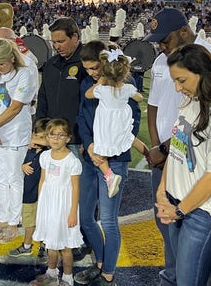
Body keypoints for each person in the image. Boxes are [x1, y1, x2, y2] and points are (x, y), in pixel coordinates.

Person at [142, 7, 211, 286]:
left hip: (197, 169)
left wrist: (167, 149)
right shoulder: (163, 61)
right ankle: (170, 279)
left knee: (192, 250)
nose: (160, 46)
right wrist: (158, 147)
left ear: (184, 31)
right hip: (168, 159)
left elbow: (210, 121)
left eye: (165, 39)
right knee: (169, 232)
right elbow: (154, 105)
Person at [155, 44, 211, 285]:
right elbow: (177, 147)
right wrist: (162, 190)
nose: (177, 88)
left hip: (203, 214)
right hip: (178, 204)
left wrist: (180, 210)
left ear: (202, 72)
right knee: (175, 276)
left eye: (181, 80)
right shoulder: (192, 100)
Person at [74, 40, 141, 286]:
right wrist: (90, 146)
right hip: (91, 157)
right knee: (85, 217)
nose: (92, 73)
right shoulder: (87, 85)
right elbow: (82, 116)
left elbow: (133, 123)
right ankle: (100, 263)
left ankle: (109, 274)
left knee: (109, 220)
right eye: (88, 69)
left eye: (95, 68)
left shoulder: (126, 85)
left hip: (114, 160)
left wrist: (107, 153)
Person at [0, 38, 34, 244]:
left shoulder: (23, 74)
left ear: (12, 57)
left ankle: (14, 221)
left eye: (1, 63)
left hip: (15, 135)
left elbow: (15, 107)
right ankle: (3, 219)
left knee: (14, 178)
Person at [84, 47, 148, 198]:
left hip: (106, 124)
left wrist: (100, 81)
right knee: (128, 138)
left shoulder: (102, 90)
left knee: (99, 153)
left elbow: (88, 94)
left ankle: (109, 176)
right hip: (121, 121)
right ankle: (149, 154)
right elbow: (139, 98)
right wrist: (132, 94)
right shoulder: (128, 88)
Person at [30, 118, 83, 286]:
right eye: (52, 135)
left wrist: (73, 212)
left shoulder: (72, 161)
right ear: (47, 137)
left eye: (61, 135)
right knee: (49, 242)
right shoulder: (45, 156)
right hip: (48, 205)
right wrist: (41, 205)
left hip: (64, 207)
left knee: (65, 246)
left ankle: (67, 278)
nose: (56, 138)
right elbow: (42, 181)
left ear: (68, 138)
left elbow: (75, 188)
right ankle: (51, 272)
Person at [36, 17, 87, 159]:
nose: (57, 46)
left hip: (77, 140)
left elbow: (91, 106)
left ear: (75, 37)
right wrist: (40, 130)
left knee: (78, 181)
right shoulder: (51, 64)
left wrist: (88, 138)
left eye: (61, 41)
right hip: (51, 138)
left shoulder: (87, 63)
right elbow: (43, 98)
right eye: (54, 42)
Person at [8, 117, 50, 259]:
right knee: (28, 222)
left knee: (43, 222)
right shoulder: (31, 150)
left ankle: (44, 247)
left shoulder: (48, 153)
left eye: (41, 137)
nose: (36, 140)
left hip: (43, 195)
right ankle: (27, 245)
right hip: (29, 194)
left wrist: (36, 141)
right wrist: (22, 166)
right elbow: (25, 164)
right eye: (35, 136)